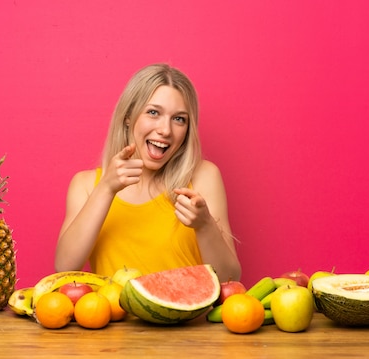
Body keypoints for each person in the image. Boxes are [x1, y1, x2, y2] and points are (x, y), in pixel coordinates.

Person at [54, 63, 241, 282]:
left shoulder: (203, 177)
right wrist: (106, 188)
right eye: (153, 113)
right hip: (115, 315)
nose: (165, 130)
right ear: (128, 117)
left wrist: (204, 224)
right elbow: (65, 266)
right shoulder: (86, 185)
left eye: (179, 119)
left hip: (186, 316)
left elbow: (230, 278)